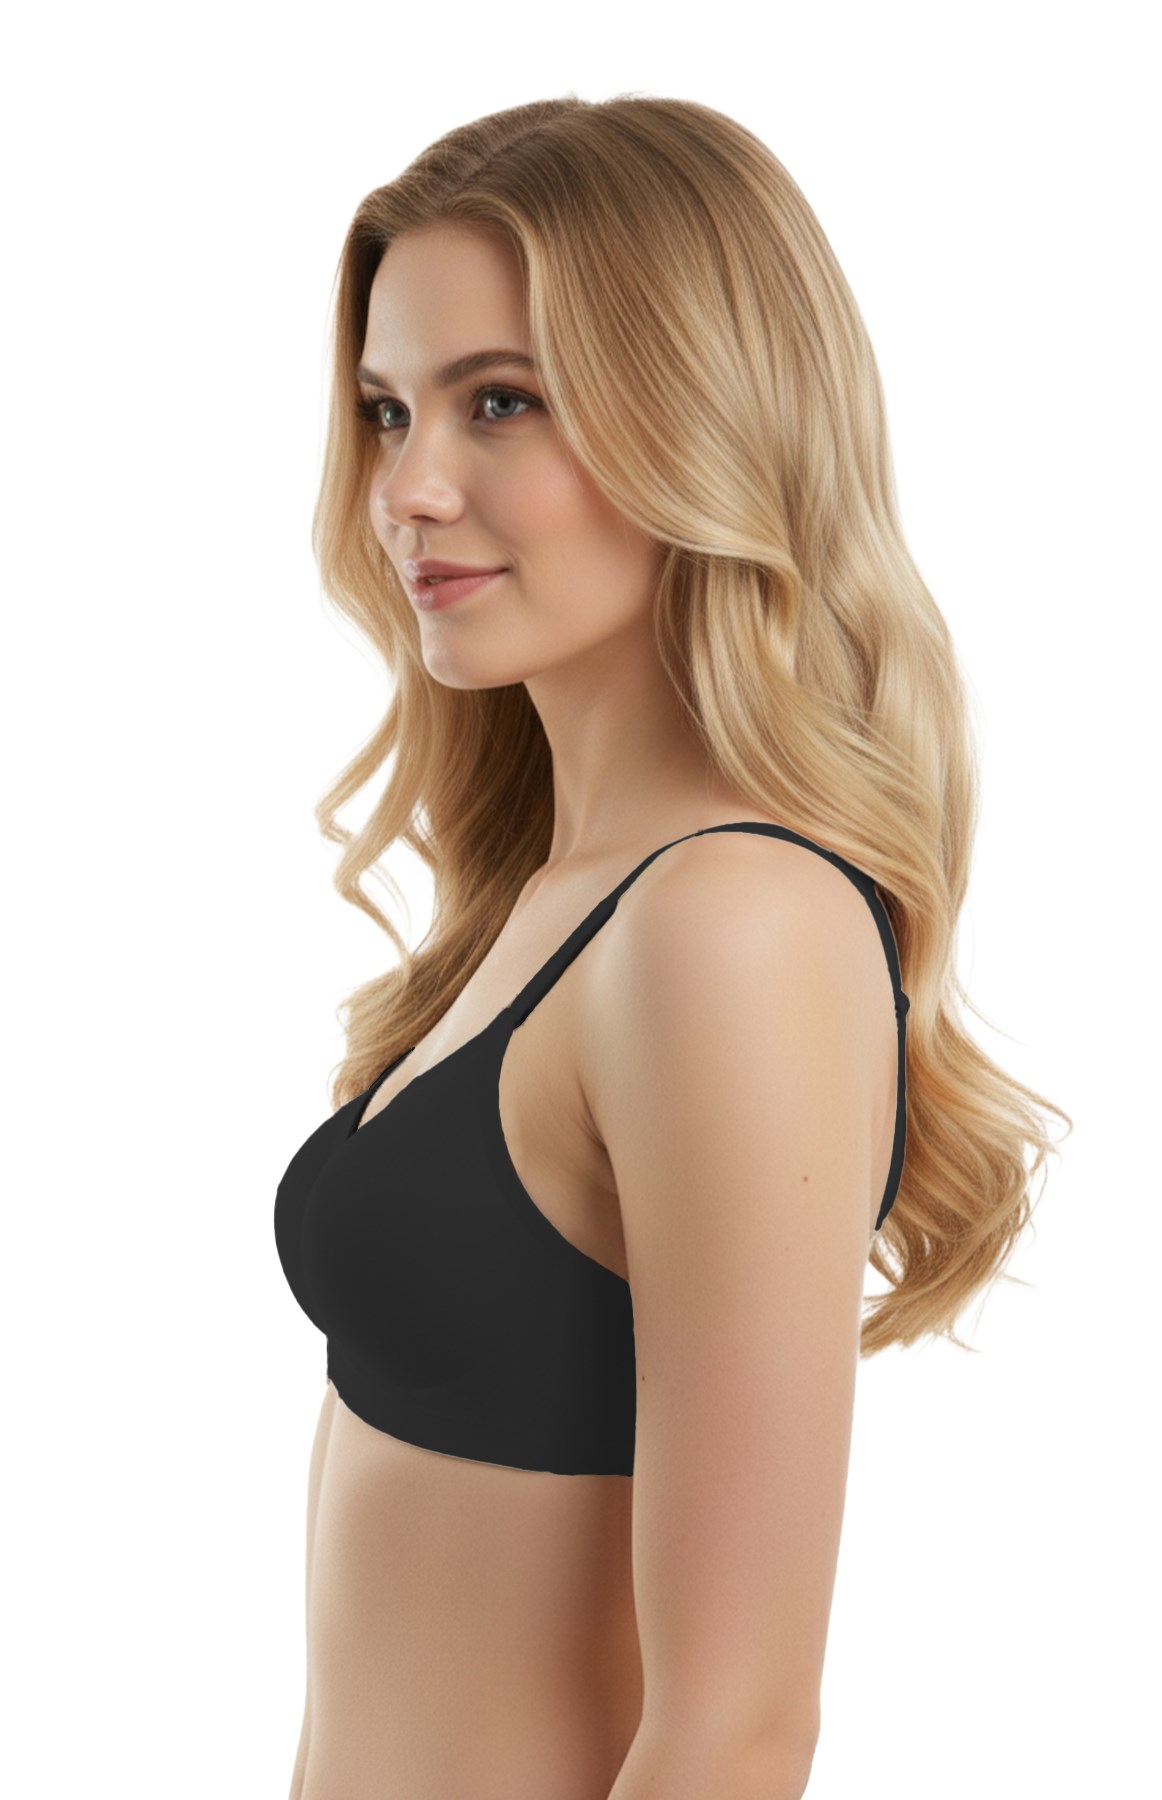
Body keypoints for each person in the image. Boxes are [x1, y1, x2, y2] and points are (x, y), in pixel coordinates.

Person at [273, 93, 1070, 1800]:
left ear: (704, 411)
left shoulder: (731, 926)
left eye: (502, 402)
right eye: (389, 410)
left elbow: (738, 1727)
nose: (409, 489)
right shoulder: (549, 899)